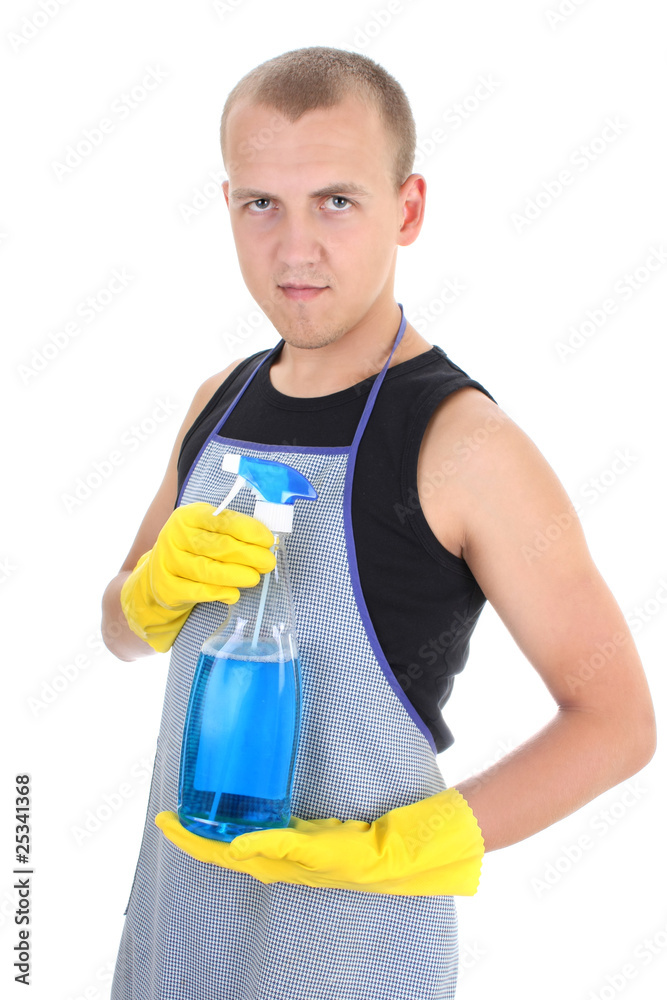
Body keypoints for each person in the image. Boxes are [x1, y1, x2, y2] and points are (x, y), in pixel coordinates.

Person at [101, 45, 656, 999]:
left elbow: (618, 722)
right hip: (177, 929)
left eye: (336, 201)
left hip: (353, 951)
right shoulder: (218, 401)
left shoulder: (463, 443)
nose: (294, 249)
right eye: (261, 204)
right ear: (226, 204)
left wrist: (413, 844)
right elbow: (119, 631)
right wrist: (147, 594)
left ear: (407, 209)